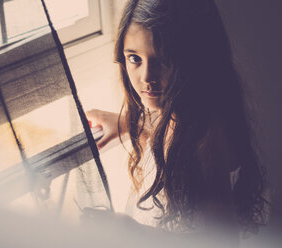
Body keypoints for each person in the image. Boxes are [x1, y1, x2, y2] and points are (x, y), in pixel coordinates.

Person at [86, 0, 268, 243]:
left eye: (163, 60)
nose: (147, 77)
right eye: (134, 58)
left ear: (196, 59)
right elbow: (161, 129)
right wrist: (126, 122)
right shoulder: (178, 113)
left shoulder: (206, 141)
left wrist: (132, 232)